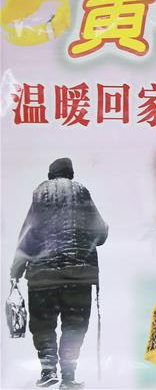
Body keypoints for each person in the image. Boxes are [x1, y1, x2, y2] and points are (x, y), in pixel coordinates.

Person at [10, 158, 108, 389]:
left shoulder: (40, 194)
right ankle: (68, 378)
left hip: (42, 277)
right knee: (74, 325)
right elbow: (101, 233)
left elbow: (28, 235)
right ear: (71, 173)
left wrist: (16, 271)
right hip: (78, 275)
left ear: (50, 174)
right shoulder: (82, 192)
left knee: (44, 324)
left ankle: (47, 372)